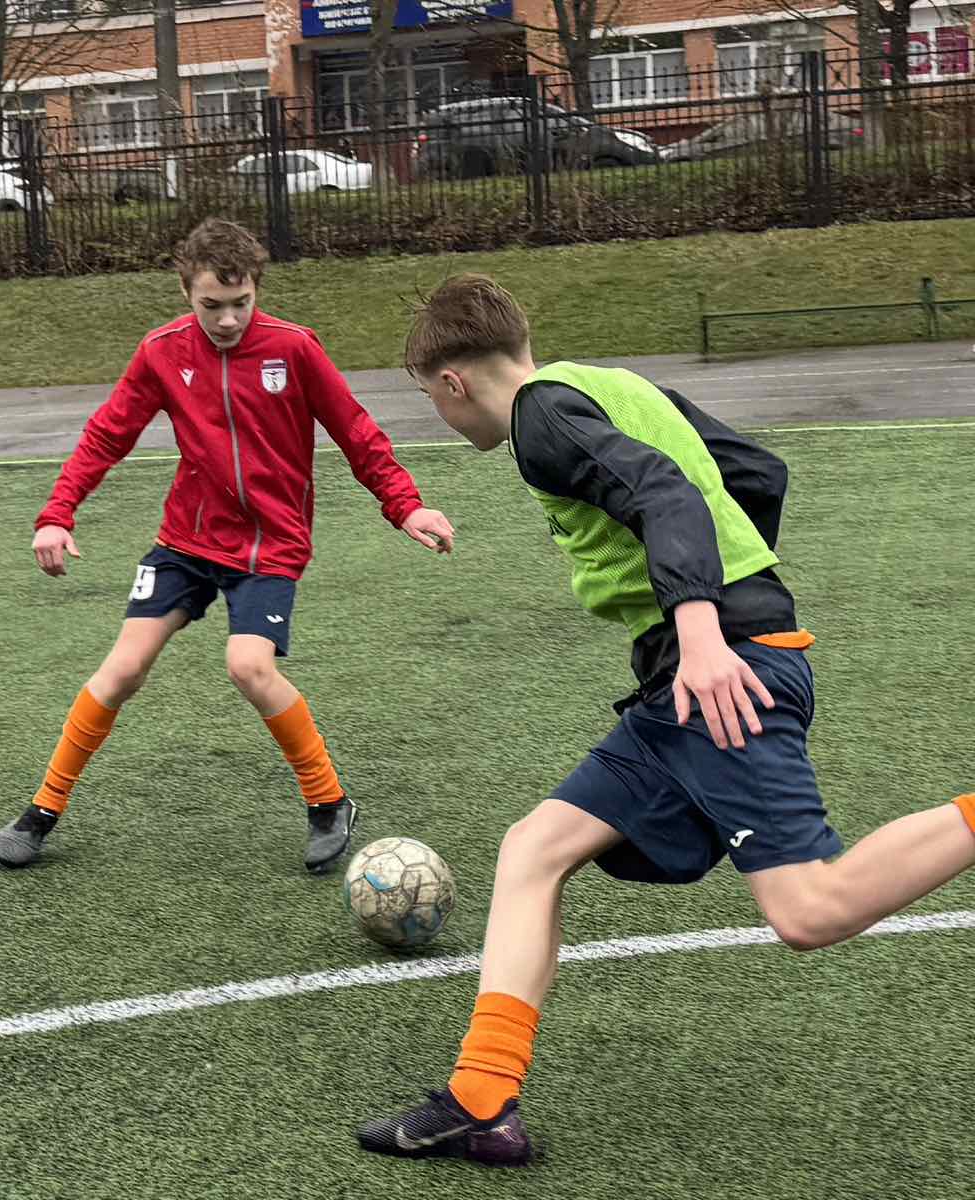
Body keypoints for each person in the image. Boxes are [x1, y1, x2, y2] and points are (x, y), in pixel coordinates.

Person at [355, 273, 975, 1166]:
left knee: (811, 908)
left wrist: (706, 626)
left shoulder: (537, 419)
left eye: (430, 399)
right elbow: (755, 474)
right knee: (534, 848)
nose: (441, 417)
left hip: (716, 670)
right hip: (683, 686)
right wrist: (727, 605)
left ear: (452, 381)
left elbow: (666, 494)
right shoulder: (615, 384)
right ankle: (480, 1102)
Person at [0, 218, 456, 872]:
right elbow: (106, 435)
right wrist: (57, 514)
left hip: (269, 546)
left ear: (257, 288)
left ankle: (328, 801)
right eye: (212, 305)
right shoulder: (162, 352)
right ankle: (42, 810)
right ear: (187, 292)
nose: (229, 320)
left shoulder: (294, 349)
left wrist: (405, 505)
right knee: (122, 668)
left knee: (248, 667)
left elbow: (357, 433)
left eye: (242, 303)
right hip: (186, 540)